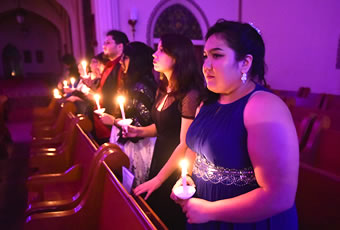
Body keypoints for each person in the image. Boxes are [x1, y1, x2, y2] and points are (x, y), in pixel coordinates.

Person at [170, 20, 299, 230]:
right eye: (205, 56)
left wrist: (209, 210)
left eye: (217, 55)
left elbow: (280, 195)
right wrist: (187, 180)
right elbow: (193, 152)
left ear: (245, 63)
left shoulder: (263, 106)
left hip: (247, 222)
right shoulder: (206, 103)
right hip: (203, 213)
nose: (206, 66)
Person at [127, 34, 205, 229]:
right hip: (159, 158)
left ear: (177, 56)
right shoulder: (163, 88)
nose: (155, 54)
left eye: (162, 50)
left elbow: (184, 142)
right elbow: (162, 128)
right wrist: (138, 132)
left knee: (168, 219)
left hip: (176, 165)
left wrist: (159, 179)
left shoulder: (190, 94)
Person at [99, 42, 157, 186]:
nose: (120, 61)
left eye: (125, 58)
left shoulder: (142, 87)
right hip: (132, 145)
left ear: (136, 61)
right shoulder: (134, 84)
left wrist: (113, 121)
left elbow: (137, 125)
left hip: (139, 148)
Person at [91, 30, 129, 145]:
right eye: (104, 43)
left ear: (120, 46)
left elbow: (119, 93)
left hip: (111, 123)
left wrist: (113, 120)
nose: (103, 46)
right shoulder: (109, 65)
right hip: (101, 121)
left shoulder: (121, 68)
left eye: (108, 43)